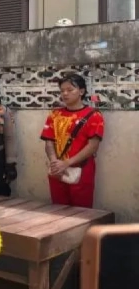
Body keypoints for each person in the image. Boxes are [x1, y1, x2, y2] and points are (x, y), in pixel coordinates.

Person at [41, 73, 104, 208]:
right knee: (58, 208)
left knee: (81, 211)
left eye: (70, 90)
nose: (65, 93)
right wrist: (54, 162)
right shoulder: (54, 115)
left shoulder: (94, 115)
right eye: (62, 90)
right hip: (57, 170)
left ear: (81, 91)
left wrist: (67, 163)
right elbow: (48, 141)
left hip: (82, 169)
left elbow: (93, 146)